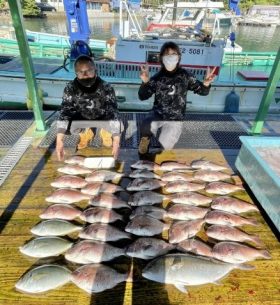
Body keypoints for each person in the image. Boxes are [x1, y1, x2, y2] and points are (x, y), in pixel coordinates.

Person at [138, 41, 216, 155]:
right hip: (158, 114)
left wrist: (206, 84)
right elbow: (142, 96)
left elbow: (202, 92)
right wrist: (145, 82)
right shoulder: (157, 77)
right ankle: (145, 140)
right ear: (161, 58)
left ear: (179, 57)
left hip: (176, 119)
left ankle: (165, 142)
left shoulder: (185, 75)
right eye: (167, 54)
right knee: (146, 124)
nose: (170, 57)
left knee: (165, 147)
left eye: (173, 54)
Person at [56, 55, 123, 161]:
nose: (86, 75)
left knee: (119, 124)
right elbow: (65, 110)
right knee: (67, 126)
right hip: (82, 118)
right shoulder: (70, 88)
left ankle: (105, 132)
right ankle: (86, 132)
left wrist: (116, 140)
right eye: (81, 72)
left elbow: (112, 111)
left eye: (89, 71)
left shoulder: (106, 87)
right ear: (76, 73)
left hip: (101, 117)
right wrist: (59, 140)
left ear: (95, 70)